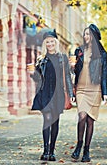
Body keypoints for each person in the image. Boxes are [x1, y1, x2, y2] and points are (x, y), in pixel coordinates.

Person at [29, 30, 74, 161]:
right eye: (47, 42)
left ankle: (52, 150)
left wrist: (71, 94)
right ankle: (46, 150)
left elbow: (67, 77)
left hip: (58, 93)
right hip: (44, 93)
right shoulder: (41, 59)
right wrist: (32, 74)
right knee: (47, 119)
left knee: (55, 121)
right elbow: (37, 79)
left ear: (56, 42)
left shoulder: (63, 58)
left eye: (51, 41)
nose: (49, 44)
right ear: (44, 44)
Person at [70, 24, 107, 162]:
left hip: (95, 90)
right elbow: (74, 72)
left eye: (89, 34)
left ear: (94, 36)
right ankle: (79, 145)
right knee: (82, 116)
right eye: (85, 34)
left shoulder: (102, 54)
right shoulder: (79, 51)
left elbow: (104, 74)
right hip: (81, 89)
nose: (86, 37)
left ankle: (86, 151)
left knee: (90, 120)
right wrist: (72, 67)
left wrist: (105, 92)